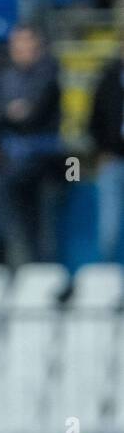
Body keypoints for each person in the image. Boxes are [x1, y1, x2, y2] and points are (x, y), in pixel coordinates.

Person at [0, 24, 62, 266]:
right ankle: (12, 267)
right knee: (17, 224)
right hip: (14, 164)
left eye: (25, 42)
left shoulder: (50, 72)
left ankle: (45, 271)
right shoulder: (5, 77)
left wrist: (14, 113)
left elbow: (34, 114)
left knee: (44, 227)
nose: (20, 48)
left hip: (45, 164)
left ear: (38, 45)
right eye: (16, 43)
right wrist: (12, 112)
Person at [90, 33, 124, 263]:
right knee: (108, 226)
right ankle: (108, 275)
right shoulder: (109, 78)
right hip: (113, 159)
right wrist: (100, 150)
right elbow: (95, 119)